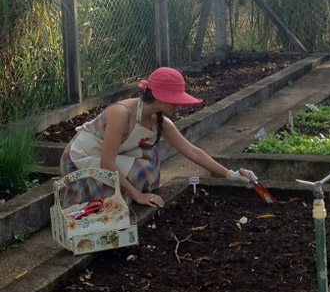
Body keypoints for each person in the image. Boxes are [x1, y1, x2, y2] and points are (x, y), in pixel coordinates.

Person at [60, 67, 256, 208]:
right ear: (160, 97)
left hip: (108, 159)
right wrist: (137, 195)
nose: (178, 106)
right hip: (82, 158)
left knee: (149, 164)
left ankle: (123, 192)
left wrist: (231, 175)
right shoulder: (120, 113)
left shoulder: (161, 122)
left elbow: (192, 151)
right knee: (109, 204)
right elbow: (106, 161)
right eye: (175, 100)